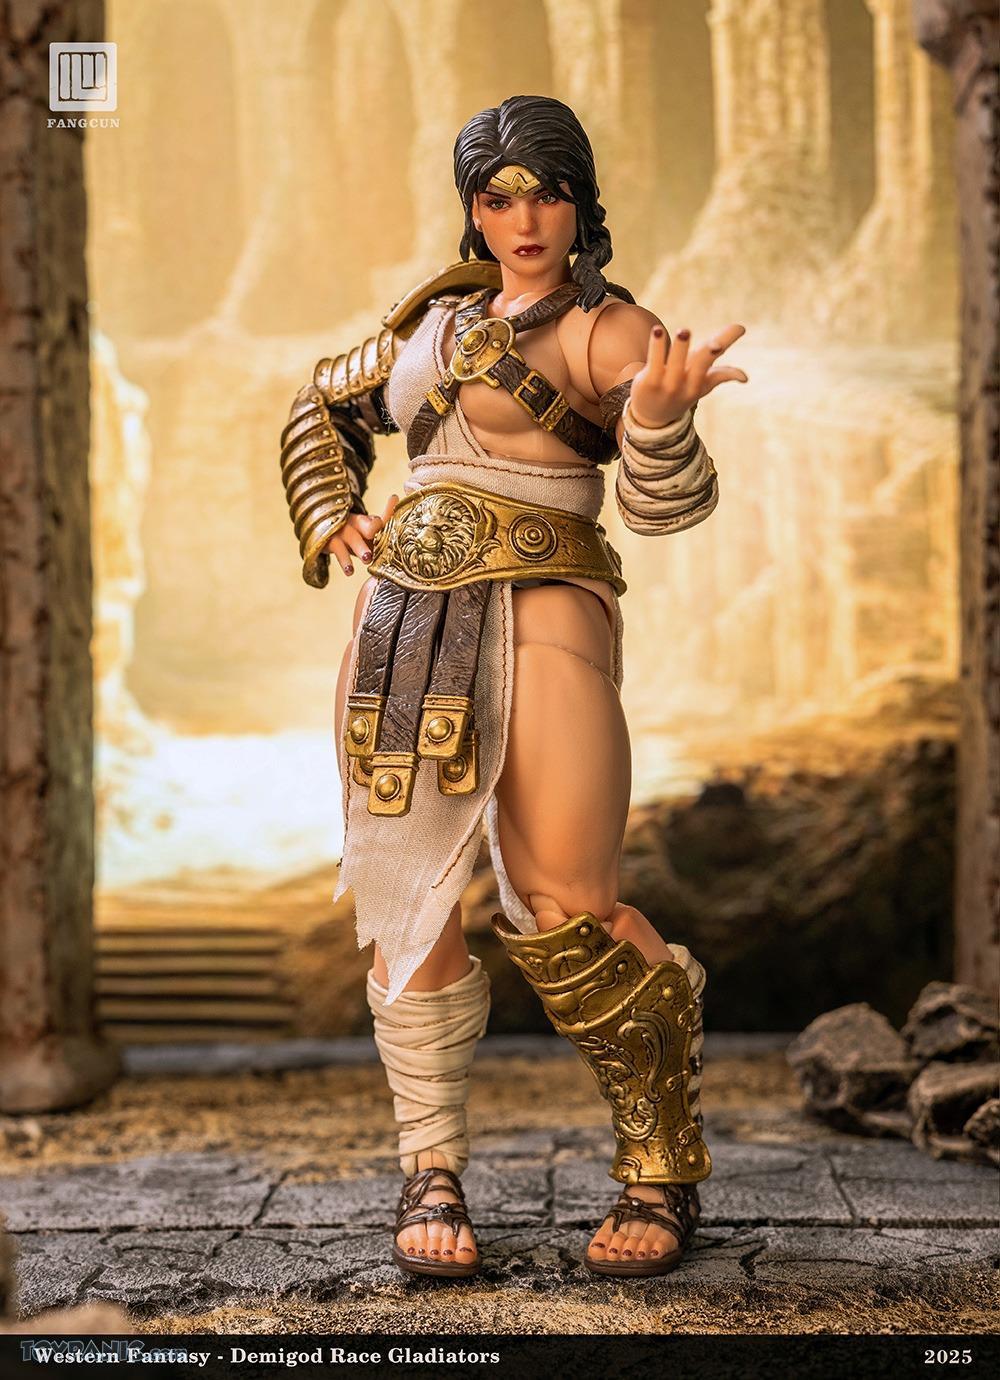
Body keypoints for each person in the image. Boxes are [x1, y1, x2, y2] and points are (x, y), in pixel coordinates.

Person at [279, 95, 747, 1280]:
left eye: (546, 193)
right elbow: (319, 403)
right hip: (398, 625)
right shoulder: (434, 322)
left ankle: (659, 1166)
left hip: (542, 612)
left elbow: (665, 504)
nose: (523, 219)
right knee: (407, 898)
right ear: (472, 210)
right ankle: (428, 1167)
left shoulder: (606, 330)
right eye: (497, 197)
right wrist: (333, 513)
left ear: (581, 202)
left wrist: (658, 420)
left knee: (567, 904)